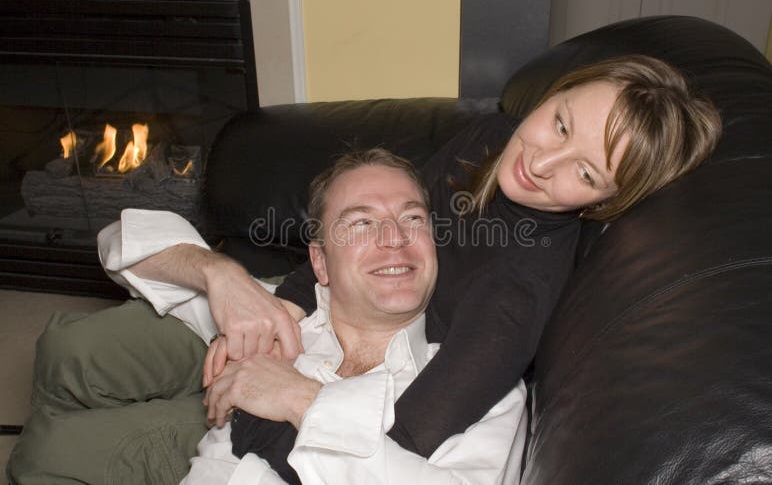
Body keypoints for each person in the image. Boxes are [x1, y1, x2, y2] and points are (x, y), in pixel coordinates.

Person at [8, 55, 721, 484]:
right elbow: (387, 208)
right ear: (554, 94)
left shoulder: (516, 293)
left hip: (337, 395)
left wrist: (269, 402)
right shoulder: (494, 138)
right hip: (314, 316)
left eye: (585, 173)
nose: (543, 162)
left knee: (58, 447)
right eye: (560, 122)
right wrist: (280, 305)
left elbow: (413, 435)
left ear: (603, 203)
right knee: (70, 348)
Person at [171, 149, 525, 483]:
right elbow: (122, 240)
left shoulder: (482, 380)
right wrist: (219, 275)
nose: (395, 238)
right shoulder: (272, 320)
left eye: (412, 218)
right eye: (361, 223)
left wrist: (301, 400)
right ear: (320, 263)